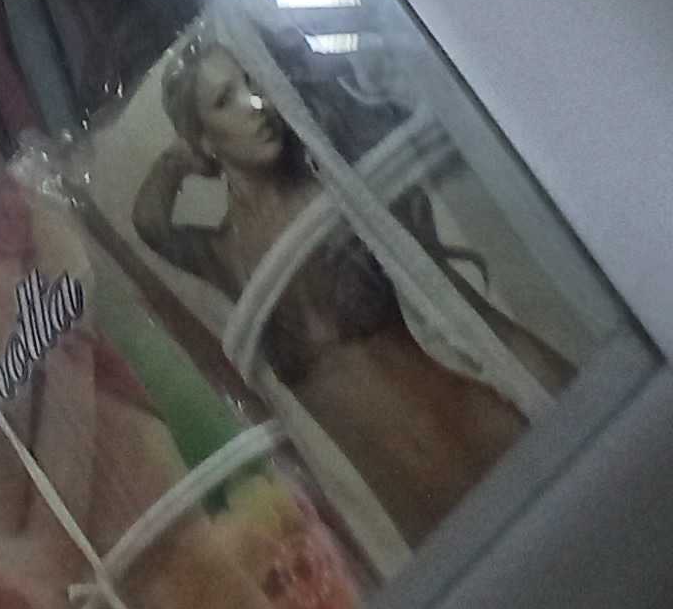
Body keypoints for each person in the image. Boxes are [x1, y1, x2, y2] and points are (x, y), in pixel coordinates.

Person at [131, 30, 573, 544]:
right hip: (410, 503)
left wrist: (574, 403)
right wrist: (181, 159)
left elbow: (469, 310)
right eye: (226, 99)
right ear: (204, 140)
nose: (256, 104)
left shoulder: (335, 188)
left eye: (254, 81)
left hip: (482, 431)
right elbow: (149, 221)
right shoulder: (225, 254)